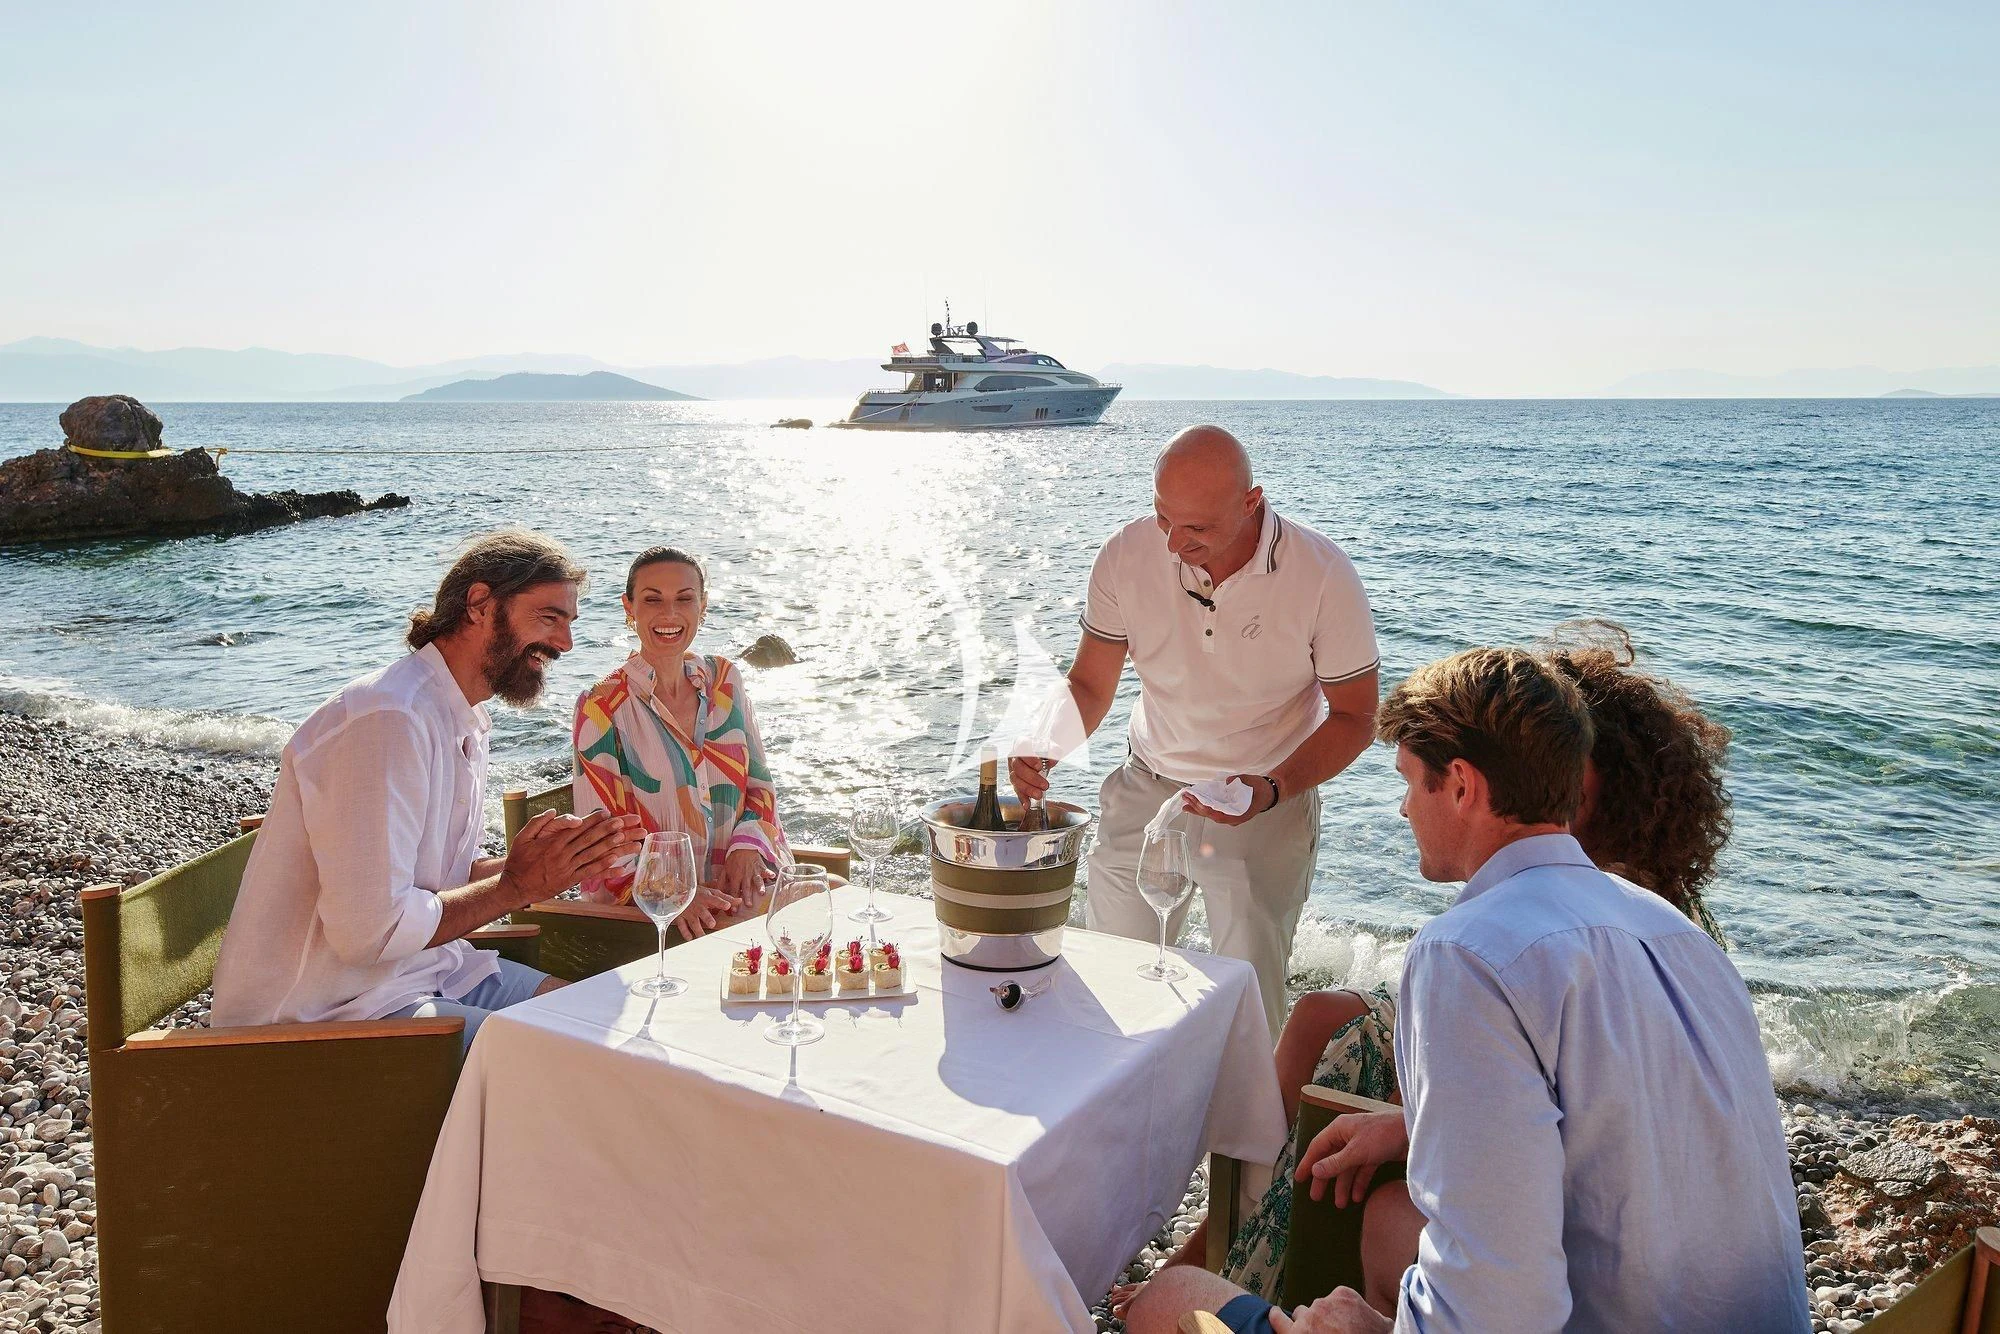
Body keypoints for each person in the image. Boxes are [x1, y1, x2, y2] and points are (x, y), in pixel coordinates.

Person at [1128, 647, 1809, 1333]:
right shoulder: (1674, 932)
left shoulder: (1469, 953)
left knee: (1170, 1301)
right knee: (1394, 1220)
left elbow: (1502, 1310)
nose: (1400, 810)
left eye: (1408, 781)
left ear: (1460, 785)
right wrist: (1412, 1127)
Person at [213, 531, 641, 1052]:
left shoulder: (461, 714)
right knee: (578, 1062)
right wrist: (515, 888)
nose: (565, 644)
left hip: (427, 974)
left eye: (569, 623)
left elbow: (436, 880)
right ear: (480, 604)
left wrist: (556, 866)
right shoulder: (388, 719)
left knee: (605, 1030)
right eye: (549, 617)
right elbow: (369, 935)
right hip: (327, 1015)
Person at [1012, 425, 1379, 1031]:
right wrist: (1045, 743)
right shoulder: (1125, 556)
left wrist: (1271, 789)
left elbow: (1356, 716)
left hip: (1265, 798)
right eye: (1164, 519)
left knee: (1249, 999)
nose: (1175, 543)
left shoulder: (1323, 575)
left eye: (1198, 530)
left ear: (1251, 502)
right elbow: (1089, 685)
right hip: (1148, 779)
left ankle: (1248, 1127)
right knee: (1113, 977)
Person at [571, 546, 785, 934]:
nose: (669, 615)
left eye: (684, 599)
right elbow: (602, 838)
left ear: (702, 606)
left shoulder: (725, 681)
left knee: (830, 893)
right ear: (629, 607)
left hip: (738, 891)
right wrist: (677, 892)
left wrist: (748, 847)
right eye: (652, 600)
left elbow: (760, 784)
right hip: (652, 912)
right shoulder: (602, 706)